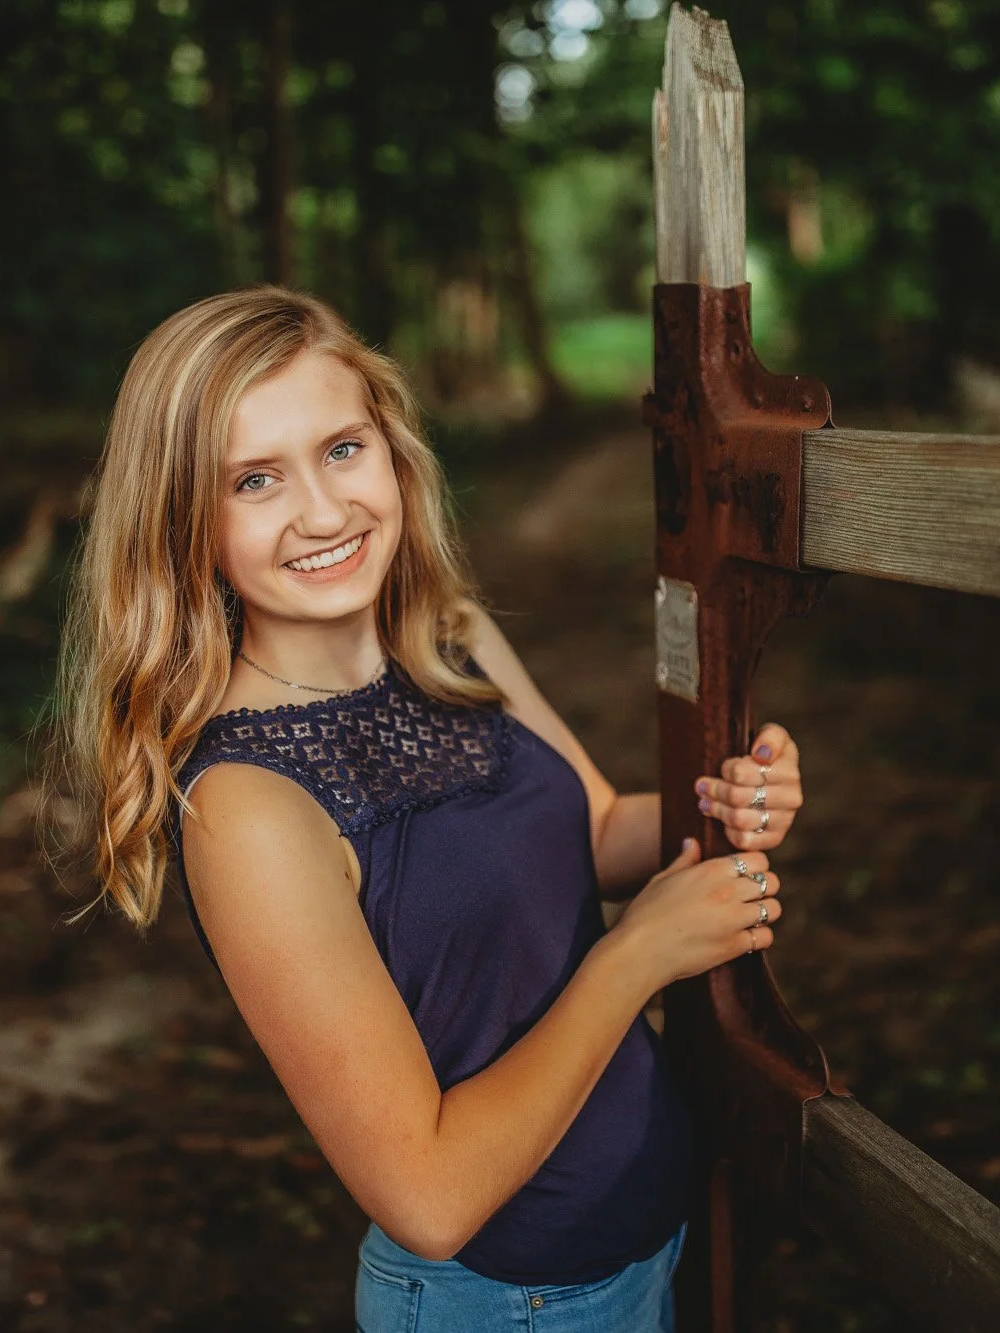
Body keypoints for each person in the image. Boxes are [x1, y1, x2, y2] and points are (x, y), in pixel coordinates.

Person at [57, 286, 806, 1331]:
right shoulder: (248, 805)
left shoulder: (448, 638)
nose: (321, 511)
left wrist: (723, 803)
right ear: (184, 515)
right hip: (509, 1304)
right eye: (254, 479)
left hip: (640, 1249)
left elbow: (590, 834)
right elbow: (429, 1196)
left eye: (342, 449)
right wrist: (637, 955)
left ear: (392, 449)